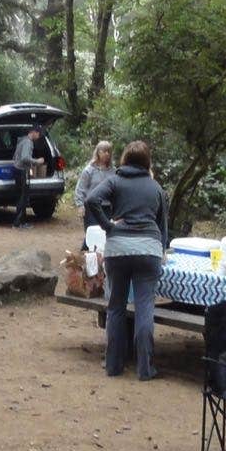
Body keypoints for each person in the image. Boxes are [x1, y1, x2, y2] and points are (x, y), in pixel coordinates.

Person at [86, 141, 170, 380]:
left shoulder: (114, 180)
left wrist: (108, 226)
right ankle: (145, 369)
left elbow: (92, 199)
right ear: (147, 162)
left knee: (116, 308)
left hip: (118, 250)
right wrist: (161, 250)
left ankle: (114, 366)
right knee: (145, 307)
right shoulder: (156, 187)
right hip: (148, 250)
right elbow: (163, 226)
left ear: (124, 159)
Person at [74, 141, 117, 244]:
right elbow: (80, 189)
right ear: (98, 152)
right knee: (92, 234)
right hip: (92, 207)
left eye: (109, 151)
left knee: (107, 235)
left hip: (108, 207)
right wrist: (80, 205)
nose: (107, 154)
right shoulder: (89, 170)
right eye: (104, 151)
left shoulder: (114, 171)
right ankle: (88, 256)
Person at [12, 125, 46, 228]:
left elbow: (15, 157)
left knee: (20, 196)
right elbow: (25, 158)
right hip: (22, 171)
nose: (39, 136)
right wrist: (37, 161)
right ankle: (19, 223)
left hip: (17, 170)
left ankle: (20, 222)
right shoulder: (28, 142)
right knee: (23, 197)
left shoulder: (21, 141)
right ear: (34, 132)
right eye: (38, 134)